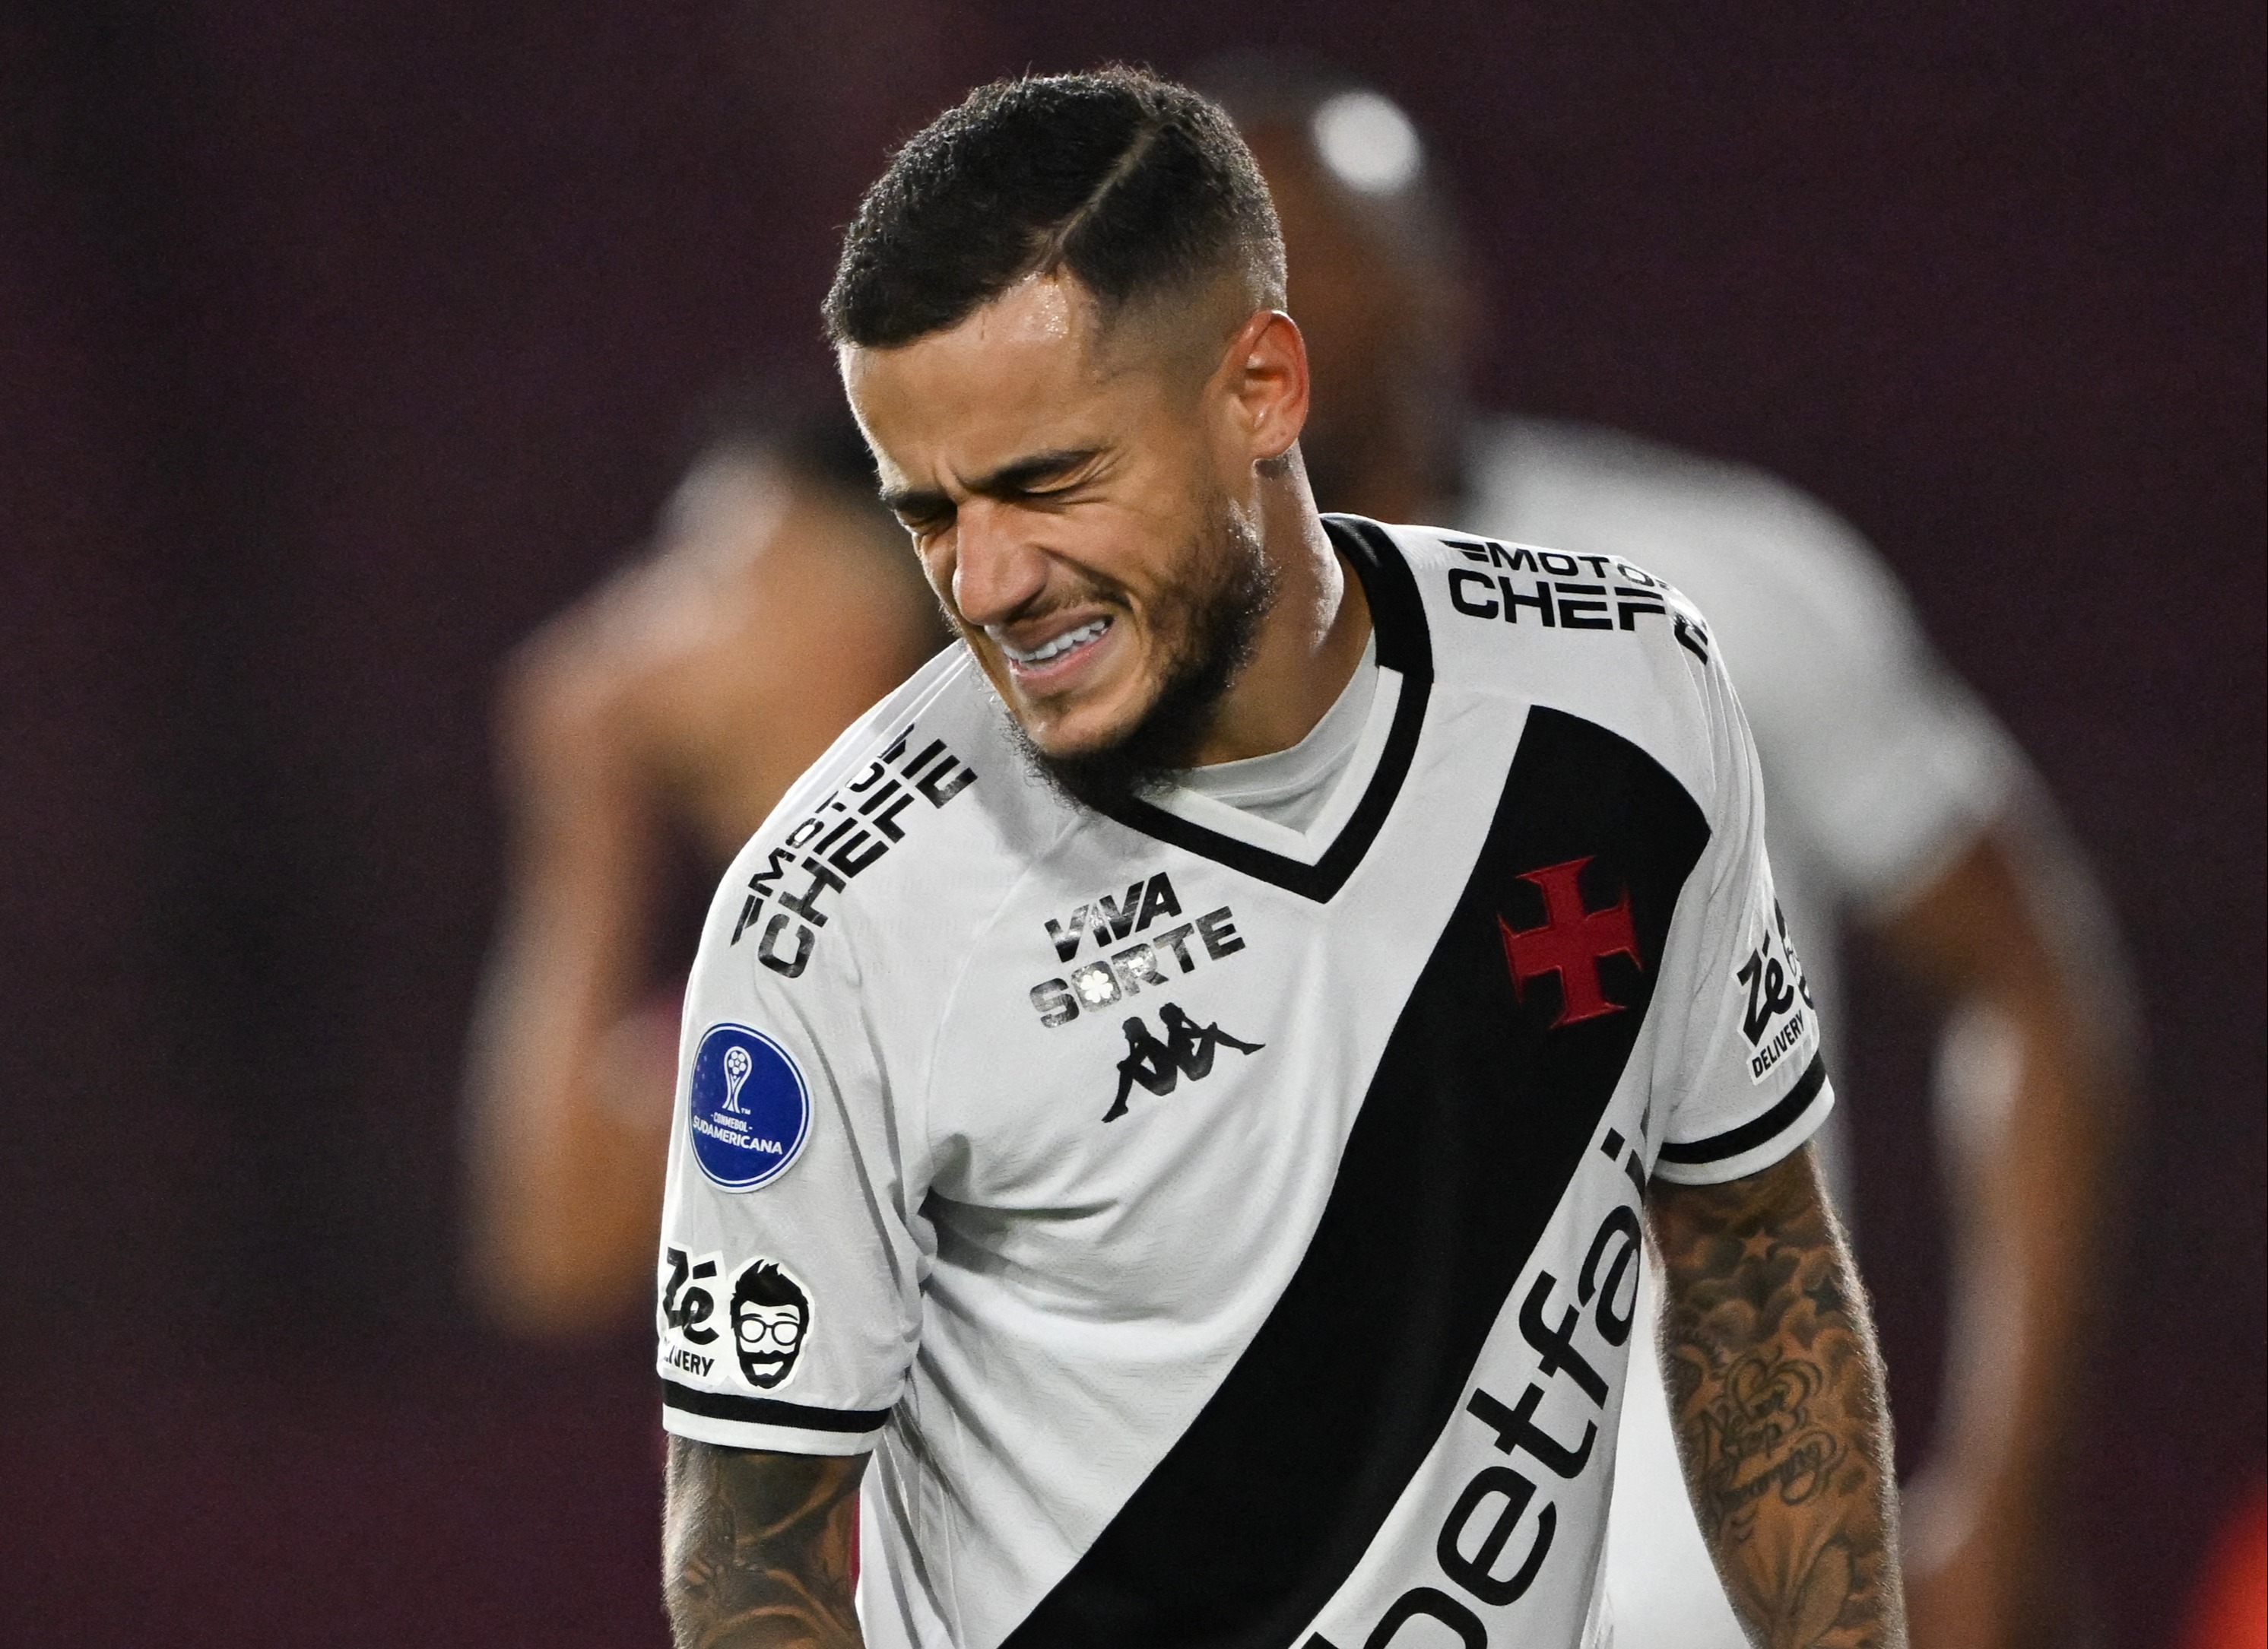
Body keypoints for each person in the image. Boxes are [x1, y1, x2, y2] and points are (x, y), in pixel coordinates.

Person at [656, 68, 1908, 1647]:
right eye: (930, 513)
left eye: (1050, 482)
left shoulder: (1622, 701)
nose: (987, 577)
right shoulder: (835, 917)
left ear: (1259, 386)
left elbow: (1752, 1255)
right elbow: (748, 1550)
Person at [1200, 61, 2133, 1649]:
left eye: (1305, 250)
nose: (1255, 317)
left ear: (1445, 289)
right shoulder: (1087, 688)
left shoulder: (1708, 585)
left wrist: (1998, 1479)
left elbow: (2024, 979)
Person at [463, 404, 945, 1337]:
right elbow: (554, 1248)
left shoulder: (976, 912)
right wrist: (586, 829)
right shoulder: (754, 984)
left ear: (865, 616)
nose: (641, 609)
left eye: (705, 565)